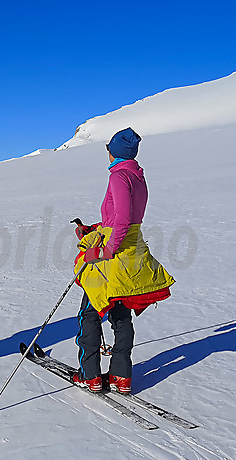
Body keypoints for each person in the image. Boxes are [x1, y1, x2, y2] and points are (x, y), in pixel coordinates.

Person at [72, 128, 175, 394]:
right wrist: (95, 228)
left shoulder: (119, 176)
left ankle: (90, 375)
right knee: (120, 313)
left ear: (113, 151)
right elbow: (125, 220)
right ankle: (121, 376)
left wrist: (104, 250)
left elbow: (121, 220)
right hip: (132, 251)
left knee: (90, 313)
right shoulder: (138, 177)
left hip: (115, 255)